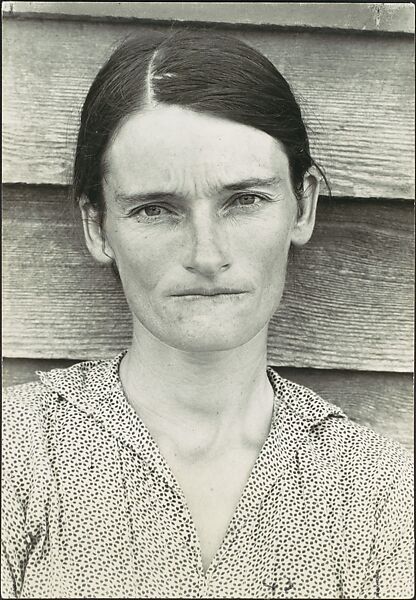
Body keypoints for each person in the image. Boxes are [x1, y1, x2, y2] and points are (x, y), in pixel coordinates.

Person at [2, 29, 413, 599]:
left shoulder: (377, 493)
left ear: (305, 205)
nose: (207, 255)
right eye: (155, 209)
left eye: (244, 200)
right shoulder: (21, 453)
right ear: (98, 227)